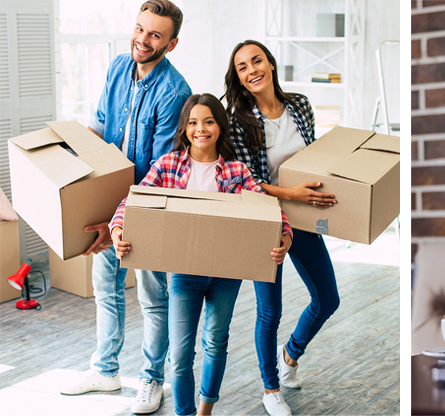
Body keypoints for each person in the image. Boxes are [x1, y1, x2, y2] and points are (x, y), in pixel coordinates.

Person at [109, 93, 294, 416]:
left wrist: (285, 238)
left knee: (215, 343)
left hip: (227, 274)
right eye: (193, 122)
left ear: (220, 127)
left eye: (208, 121)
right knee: (180, 355)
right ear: (185, 128)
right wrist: (117, 231)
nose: (201, 129)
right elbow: (130, 202)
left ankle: (206, 410)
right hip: (185, 272)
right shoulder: (168, 165)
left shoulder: (236, 171)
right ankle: (185, 412)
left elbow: (273, 212)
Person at [60, 1, 191, 413]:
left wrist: (116, 221)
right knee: (107, 289)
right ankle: (106, 370)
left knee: (153, 297)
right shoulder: (118, 66)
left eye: (155, 35)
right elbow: (100, 126)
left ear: (171, 43)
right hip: (109, 205)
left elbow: (156, 172)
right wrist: (74, 153)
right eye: (139, 29)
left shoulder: (175, 92)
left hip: (149, 207)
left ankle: (153, 380)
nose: (142, 40)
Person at [224, 40, 340, 416]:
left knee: (328, 299)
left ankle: (290, 355)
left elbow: (314, 155)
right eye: (242, 67)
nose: (251, 70)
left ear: (271, 64)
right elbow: (248, 181)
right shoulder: (237, 121)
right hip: (265, 219)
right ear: (239, 78)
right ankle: (270, 388)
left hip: (303, 219)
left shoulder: (300, 105)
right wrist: (293, 193)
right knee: (269, 310)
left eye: (256, 60)